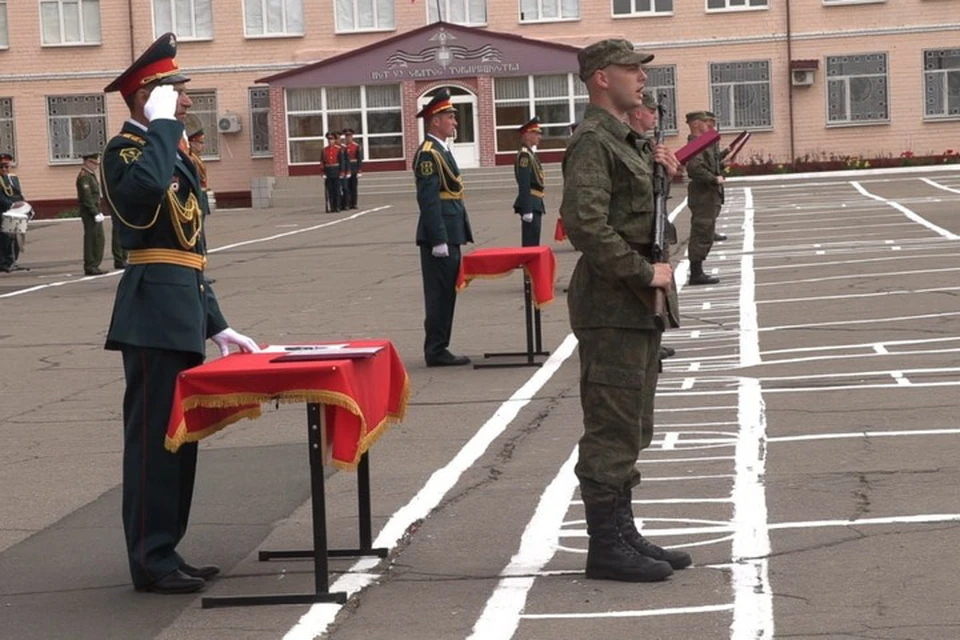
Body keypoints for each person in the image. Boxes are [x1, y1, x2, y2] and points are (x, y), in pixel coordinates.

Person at [101, 32, 259, 595]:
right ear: (150, 96)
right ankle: (149, 560)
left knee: (178, 438)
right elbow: (142, 201)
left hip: (182, 308)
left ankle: (166, 549)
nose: (187, 101)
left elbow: (189, 248)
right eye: (175, 91)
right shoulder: (123, 153)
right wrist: (162, 127)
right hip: (150, 314)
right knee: (152, 444)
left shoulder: (172, 153)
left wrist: (216, 322)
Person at [560, 38, 691, 583]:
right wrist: (644, 273)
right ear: (600, 78)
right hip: (615, 303)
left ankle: (624, 531)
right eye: (630, 68)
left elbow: (643, 219)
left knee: (633, 425)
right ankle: (606, 547)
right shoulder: (593, 141)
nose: (640, 76)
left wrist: (666, 172)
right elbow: (587, 226)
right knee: (612, 429)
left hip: (637, 306)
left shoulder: (628, 141)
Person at [414, 89, 473, 367]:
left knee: (447, 293)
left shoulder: (441, 150)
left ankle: (440, 346)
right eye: (450, 116)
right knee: (439, 295)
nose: (455, 122)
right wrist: (438, 239)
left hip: (451, 232)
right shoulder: (428, 154)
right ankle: (436, 350)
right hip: (440, 236)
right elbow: (429, 200)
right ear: (435, 120)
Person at [627, 90, 677, 361]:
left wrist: (667, 173)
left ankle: (654, 341)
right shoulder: (626, 146)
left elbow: (657, 192)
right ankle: (651, 344)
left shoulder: (644, 146)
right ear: (637, 113)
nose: (655, 118)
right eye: (651, 113)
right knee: (645, 292)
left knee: (657, 290)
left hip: (652, 229)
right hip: (637, 241)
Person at [685, 111, 724, 285]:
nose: (711, 125)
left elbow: (708, 164)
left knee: (705, 231)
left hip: (708, 193)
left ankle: (698, 270)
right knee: (701, 232)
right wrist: (713, 178)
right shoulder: (695, 144)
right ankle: (696, 273)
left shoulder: (704, 143)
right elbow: (694, 168)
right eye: (707, 122)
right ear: (695, 124)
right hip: (702, 193)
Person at [513, 116, 546, 247]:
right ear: (527, 135)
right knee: (530, 244)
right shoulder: (524, 155)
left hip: (535, 202)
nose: (539, 137)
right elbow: (524, 182)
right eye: (536, 133)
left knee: (534, 241)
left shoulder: (530, 154)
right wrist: (527, 209)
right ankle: (529, 267)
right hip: (531, 202)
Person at [76, 152, 106, 275]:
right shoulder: (84, 176)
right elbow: (87, 197)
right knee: (91, 239)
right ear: (87, 162)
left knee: (99, 238)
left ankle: (95, 264)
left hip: (95, 210)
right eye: (94, 163)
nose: (96, 166)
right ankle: (90, 265)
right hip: (89, 212)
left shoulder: (90, 175)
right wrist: (94, 212)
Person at [0, 153, 27, 272]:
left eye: (7, 166)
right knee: (5, 239)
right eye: (2, 167)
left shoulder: (12, 178)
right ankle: (4, 262)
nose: (6, 169)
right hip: (3, 212)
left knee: (16, 238)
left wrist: (23, 204)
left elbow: (18, 194)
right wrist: (11, 204)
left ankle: (13, 261)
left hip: (14, 212)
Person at [322, 131, 345, 212]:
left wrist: (342, 172)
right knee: (330, 191)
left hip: (336, 171)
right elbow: (322, 162)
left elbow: (341, 161)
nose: (330, 141)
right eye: (329, 139)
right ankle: (331, 206)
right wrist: (323, 172)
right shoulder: (324, 150)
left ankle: (337, 206)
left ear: (335, 140)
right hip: (328, 171)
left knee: (337, 191)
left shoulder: (338, 149)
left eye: (331, 139)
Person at [343, 129, 363, 209]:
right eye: (347, 136)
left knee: (353, 187)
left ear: (352, 137)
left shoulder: (356, 146)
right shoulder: (343, 147)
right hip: (345, 169)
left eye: (349, 136)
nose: (348, 138)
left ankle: (354, 203)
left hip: (353, 168)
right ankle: (347, 203)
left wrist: (359, 170)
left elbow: (359, 159)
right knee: (346, 187)